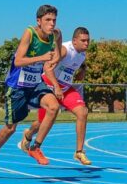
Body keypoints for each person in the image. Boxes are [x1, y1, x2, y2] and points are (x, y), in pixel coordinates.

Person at [0, 5, 62, 177]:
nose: (52, 23)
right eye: (48, 20)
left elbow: (57, 50)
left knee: (53, 107)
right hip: (17, 86)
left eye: (54, 20)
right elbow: (18, 61)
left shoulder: (53, 35)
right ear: (38, 21)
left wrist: (57, 48)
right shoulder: (30, 33)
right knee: (10, 129)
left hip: (35, 84)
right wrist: (42, 58)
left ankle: (35, 147)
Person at [20, 26, 93, 166]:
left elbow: (77, 68)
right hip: (49, 86)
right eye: (83, 41)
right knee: (42, 123)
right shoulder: (65, 50)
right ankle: (29, 134)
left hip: (66, 88)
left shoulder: (82, 54)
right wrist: (56, 86)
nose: (86, 44)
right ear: (74, 41)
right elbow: (47, 68)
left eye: (88, 40)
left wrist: (82, 70)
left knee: (83, 112)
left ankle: (79, 152)